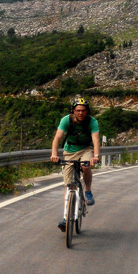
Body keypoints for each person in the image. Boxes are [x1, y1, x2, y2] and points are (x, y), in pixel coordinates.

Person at [50, 96, 100, 231]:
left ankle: (88, 190)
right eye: (78, 110)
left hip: (86, 149)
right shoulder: (66, 120)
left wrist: (95, 156)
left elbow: (95, 140)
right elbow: (57, 138)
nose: (81, 113)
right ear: (73, 111)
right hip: (70, 150)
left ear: (87, 111)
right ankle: (66, 217)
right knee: (68, 184)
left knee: (85, 166)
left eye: (83, 110)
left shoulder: (92, 122)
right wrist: (54, 154)